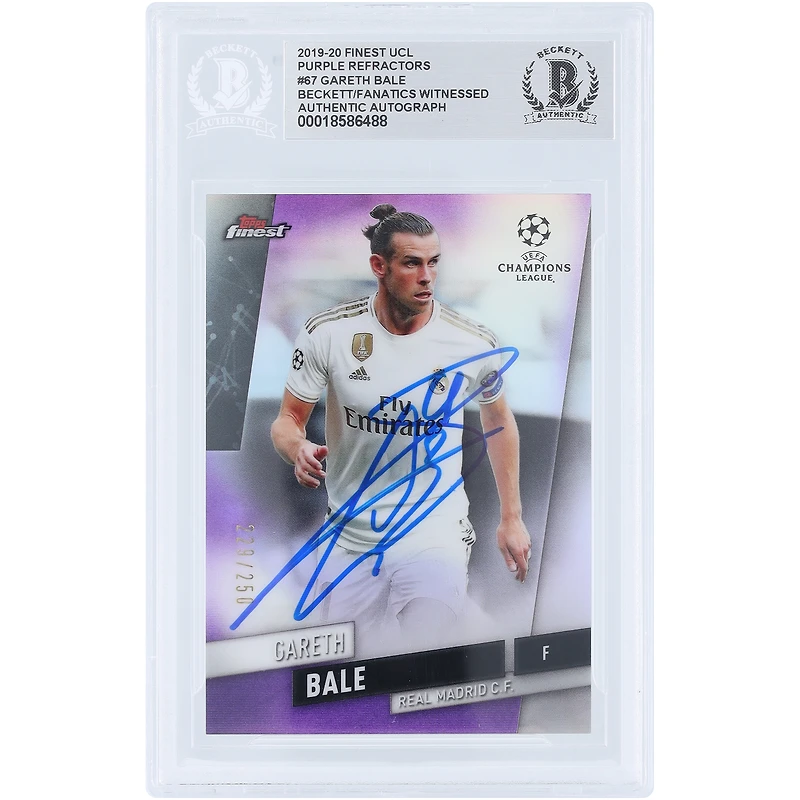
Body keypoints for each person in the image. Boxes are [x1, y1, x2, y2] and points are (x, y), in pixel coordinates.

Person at [271, 203, 531, 643]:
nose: (427, 277)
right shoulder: (327, 334)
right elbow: (287, 420)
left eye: (434, 263)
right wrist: (297, 448)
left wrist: (512, 516)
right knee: (357, 660)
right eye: (412, 263)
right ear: (380, 266)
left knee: (425, 637)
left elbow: (498, 417)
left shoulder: (472, 342)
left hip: (435, 529)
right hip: (351, 535)